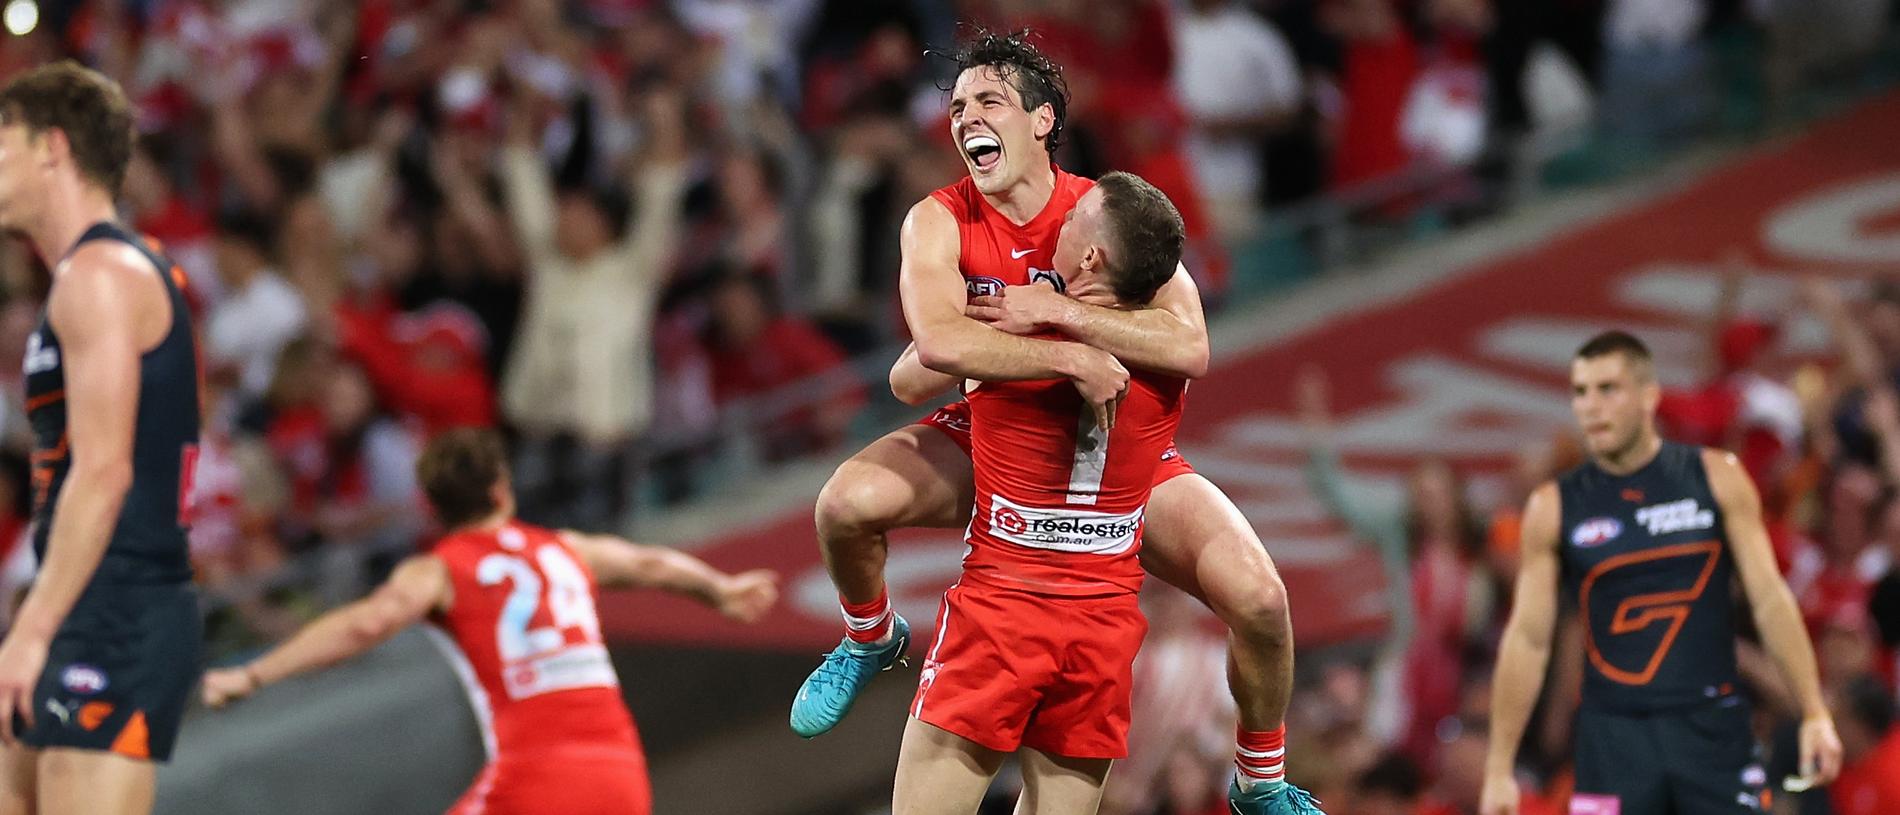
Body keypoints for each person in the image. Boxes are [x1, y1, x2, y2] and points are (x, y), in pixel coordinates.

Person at [787, 28, 1318, 814]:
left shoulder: (1108, 215)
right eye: (957, 104)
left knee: (1262, 599)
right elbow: (920, 363)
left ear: (1041, 121)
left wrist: (1057, 312)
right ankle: (871, 634)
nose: (965, 116)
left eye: (987, 100)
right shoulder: (938, 220)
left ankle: (1259, 777)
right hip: (994, 428)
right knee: (845, 503)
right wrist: (1062, 355)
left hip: (1112, 465)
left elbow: (1192, 343)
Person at [199, 429, 780, 815]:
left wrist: (254, 675)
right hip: (622, 773)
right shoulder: (564, 548)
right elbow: (650, 563)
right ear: (502, 488)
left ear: (433, 506)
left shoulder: (442, 569)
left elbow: (366, 624)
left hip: (535, 775)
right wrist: (719, 590)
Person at [878, 170, 1184, 813]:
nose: (1061, 219)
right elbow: (1193, 341)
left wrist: (1006, 313)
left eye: (1074, 219)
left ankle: (864, 630)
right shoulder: (1169, 353)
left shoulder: (1014, 328)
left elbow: (910, 374)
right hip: (1104, 622)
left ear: (1092, 257)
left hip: (1005, 608)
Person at [1480, 331, 1844, 815]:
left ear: (1649, 397)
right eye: (1581, 392)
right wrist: (1499, 766)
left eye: (1608, 390)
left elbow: (1770, 599)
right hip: (1612, 742)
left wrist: (1814, 711)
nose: (1591, 406)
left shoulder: (1718, 478)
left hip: (1711, 731)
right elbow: (1527, 638)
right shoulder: (1553, 508)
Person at [0, 62, 203, 815]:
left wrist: (32, 629)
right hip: (83, 602)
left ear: (51, 146)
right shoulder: (82, 277)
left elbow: (105, 472)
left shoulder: (101, 274)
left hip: (117, 609)